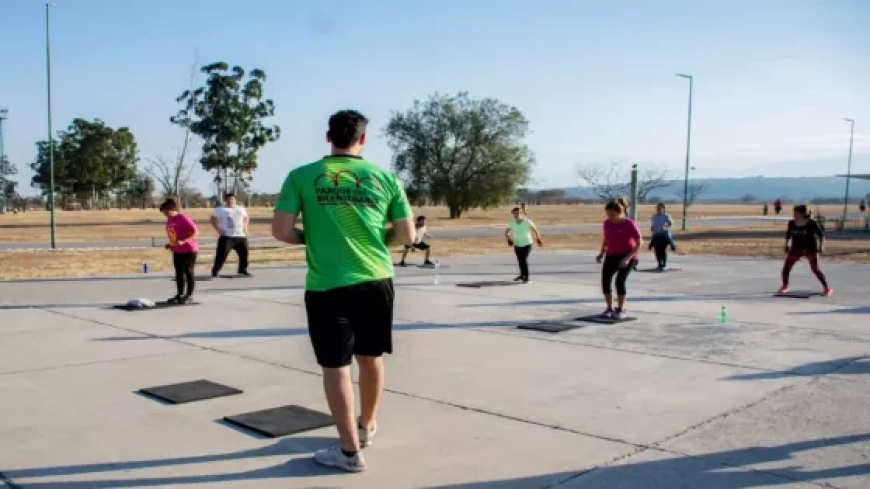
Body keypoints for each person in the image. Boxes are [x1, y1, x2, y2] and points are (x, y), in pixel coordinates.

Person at [271, 109, 415, 473]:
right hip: (376, 280)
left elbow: (280, 231)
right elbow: (408, 235)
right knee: (371, 357)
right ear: (362, 140)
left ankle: (349, 451)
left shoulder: (302, 176)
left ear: (328, 137)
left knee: (335, 367)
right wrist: (378, 239)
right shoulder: (385, 178)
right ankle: (366, 426)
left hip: (328, 285)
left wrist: (310, 237)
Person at [596, 198, 642, 319]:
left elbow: (639, 243)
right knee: (605, 282)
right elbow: (606, 239)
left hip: (628, 256)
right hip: (611, 255)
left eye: (612, 214)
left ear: (620, 212)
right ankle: (609, 308)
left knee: (619, 282)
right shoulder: (606, 223)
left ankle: (621, 309)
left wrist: (627, 259)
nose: (610, 217)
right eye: (608, 214)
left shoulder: (629, 224)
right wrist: (601, 253)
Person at [779, 204, 832, 297]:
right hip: (796, 248)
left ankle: (827, 288)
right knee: (786, 268)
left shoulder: (812, 223)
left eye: (795, 212)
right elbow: (788, 234)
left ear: (802, 213)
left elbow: (821, 235)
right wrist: (786, 244)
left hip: (810, 249)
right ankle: (785, 286)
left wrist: (821, 246)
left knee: (815, 269)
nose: (794, 214)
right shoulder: (792, 223)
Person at [161, 198, 199, 304]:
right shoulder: (169, 220)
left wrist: (184, 241)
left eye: (166, 212)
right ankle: (180, 294)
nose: (165, 215)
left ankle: (189, 295)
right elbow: (173, 236)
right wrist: (170, 245)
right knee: (179, 273)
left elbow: (195, 232)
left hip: (189, 250)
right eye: (164, 213)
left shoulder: (183, 217)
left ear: (172, 209)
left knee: (188, 272)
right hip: (177, 250)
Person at [210, 193, 251, 277]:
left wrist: (245, 227)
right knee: (222, 255)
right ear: (226, 201)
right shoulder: (220, 209)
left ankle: (242, 270)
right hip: (227, 237)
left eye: (232, 199)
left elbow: (246, 218)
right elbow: (212, 220)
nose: (230, 201)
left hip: (240, 236)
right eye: (228, 199)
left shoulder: (241, 209)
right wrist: (218, 229)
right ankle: (215, 271)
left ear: (235, 200)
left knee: (244, 254)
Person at [505, 206, 543, 283]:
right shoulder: (511, 223)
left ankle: (527, 277)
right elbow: (507, 232)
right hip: (517, 244)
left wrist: (538, 239)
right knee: (520, 260)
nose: (517, 214)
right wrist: (509, 239)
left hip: (527, 243)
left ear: (521, 213)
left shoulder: (527, 221)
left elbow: (535, 230)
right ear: (513, 214)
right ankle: (522, 275)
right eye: (515, 213)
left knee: (523, 260)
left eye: (518, 213)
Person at [649, 203, 676, 271]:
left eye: (660, 208)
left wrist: (665, 226)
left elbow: (670, 223)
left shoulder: (666, 215)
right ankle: (659, 264)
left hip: (664, 234)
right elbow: (653, 224)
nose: (658, 209)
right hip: (656, 234)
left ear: (663, 209)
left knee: (662, 249)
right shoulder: (654, 216)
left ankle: (664, 264)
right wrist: (652, 227)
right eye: (657, 208)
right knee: (656, 250)